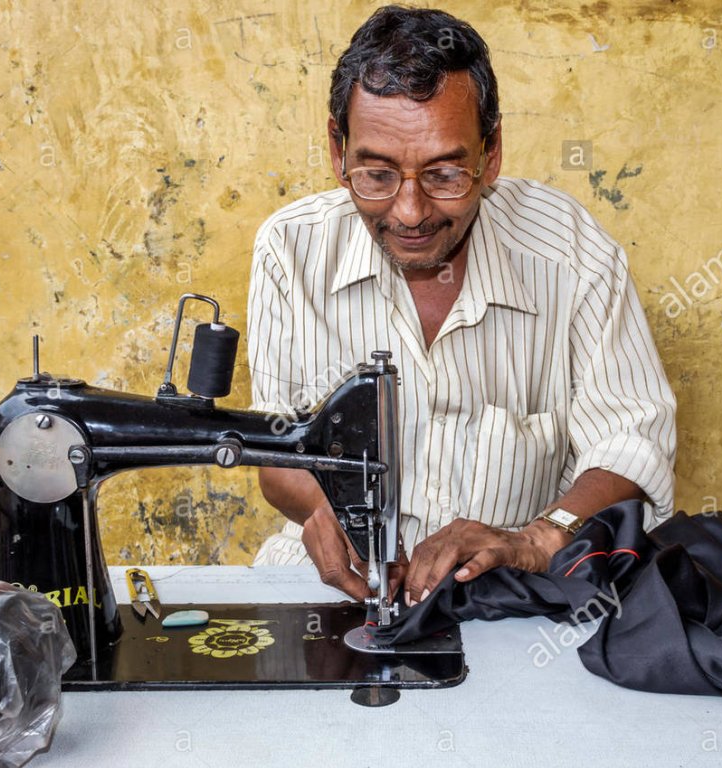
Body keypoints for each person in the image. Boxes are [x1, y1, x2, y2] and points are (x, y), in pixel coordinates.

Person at [247, 6, 676, 607]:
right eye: (376, 174)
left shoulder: (570, 251)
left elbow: (633, 443)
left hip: (516, 597)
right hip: (330, 582)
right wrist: (322, 510)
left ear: (491, 152)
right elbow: (275, 443)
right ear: (337, 150)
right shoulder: (291, 249)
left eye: (445, 173)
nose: (410, 211)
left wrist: (536, 537)